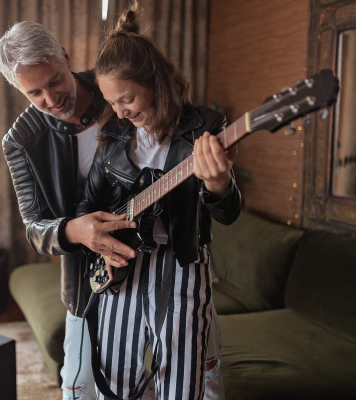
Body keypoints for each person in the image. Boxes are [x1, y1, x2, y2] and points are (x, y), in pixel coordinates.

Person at [77, 2, 242, 399]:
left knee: (182, 381)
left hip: (181, 262)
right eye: (112, 102)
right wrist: (93, 236)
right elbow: (88, 206)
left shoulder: (205, 127)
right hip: (123, 267)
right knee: (115, 379)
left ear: (155, 80)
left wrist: (219, 183)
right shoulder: (114, 136)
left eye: (127, 98)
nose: (119, 111)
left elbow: (229, 212)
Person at [0, 21, 137, 400]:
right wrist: (77, 231)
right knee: (79, 389)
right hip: (84, 279)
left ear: (66, 58)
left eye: (55, 81)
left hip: (150, 256)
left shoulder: (118, 87)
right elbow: (34, 228)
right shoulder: (21, 140)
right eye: (35, 93)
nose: (51, 98)